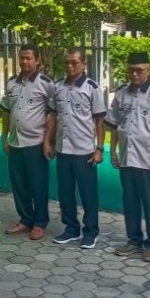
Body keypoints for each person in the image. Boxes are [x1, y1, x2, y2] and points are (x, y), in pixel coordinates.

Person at [106, 51, 150, 262]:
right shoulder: (121, 93)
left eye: (140, 70)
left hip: (148, 159)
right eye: (131, 70)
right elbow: (114, 124)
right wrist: (113, 149)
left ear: (148, 69)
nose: (135, 74)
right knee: (130, 201)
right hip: (127, 158)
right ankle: (133, 239)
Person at [47, 47, 106, 249]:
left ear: (84, 64)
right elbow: (53, 116)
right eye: (67, 63)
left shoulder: (92, 88)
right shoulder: (58, 87)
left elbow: (100, 120)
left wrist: (99, 148)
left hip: (84, 151)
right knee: (65, 192)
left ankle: (90, 232)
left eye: (74, 62)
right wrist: (49, 141)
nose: (70, 66)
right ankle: (71, 229)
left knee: (88, 194)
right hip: (63, 149)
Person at [0, 43, 56, 241]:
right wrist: (4, 137)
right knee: (19, 184)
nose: (24, 61)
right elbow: (6, 111)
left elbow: (52, 114)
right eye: (22, 58)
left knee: (38, 184)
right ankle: (25, 219)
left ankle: (40, 223)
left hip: (35, 143)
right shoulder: (11, 83)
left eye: (28, 58)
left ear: (37, 60)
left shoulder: (46, 84)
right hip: (15, 143)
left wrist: (48, 142)